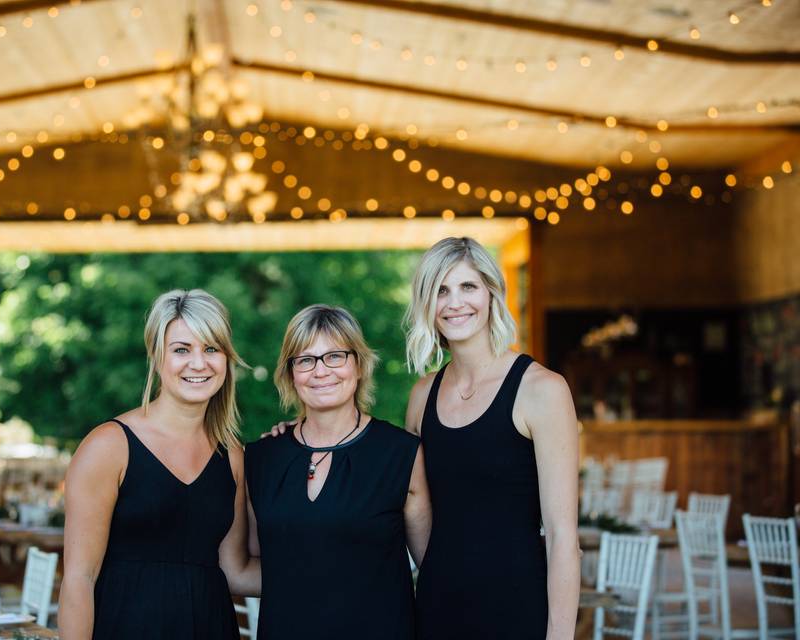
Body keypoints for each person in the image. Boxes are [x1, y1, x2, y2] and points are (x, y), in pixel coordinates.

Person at [406, 237, 579, 640]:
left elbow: (562, 537)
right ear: (427, 305)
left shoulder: (542, 389)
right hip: (437, 607)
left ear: (491, 293)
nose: (455, 303)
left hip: (517, 607)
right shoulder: (421, 396)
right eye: (441, 290)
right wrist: (301, 435)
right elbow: (409, 501)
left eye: (468, 287)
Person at [59, 289, 258, 640]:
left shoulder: (233, 458)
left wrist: (339, 570)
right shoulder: (109, 445)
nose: (199, 363)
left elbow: (236, 571)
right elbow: (79, 579)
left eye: (211, 349)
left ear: (226, 358)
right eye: (182, 350)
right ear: (156, 355)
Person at [245, 304, 431, 640]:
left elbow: (433, 568)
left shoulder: (402, 454)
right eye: (305, 360)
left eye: (335, 356)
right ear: (290, 373)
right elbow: (251, 566)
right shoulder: (260, 459)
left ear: (359, 365)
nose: (320, 371)